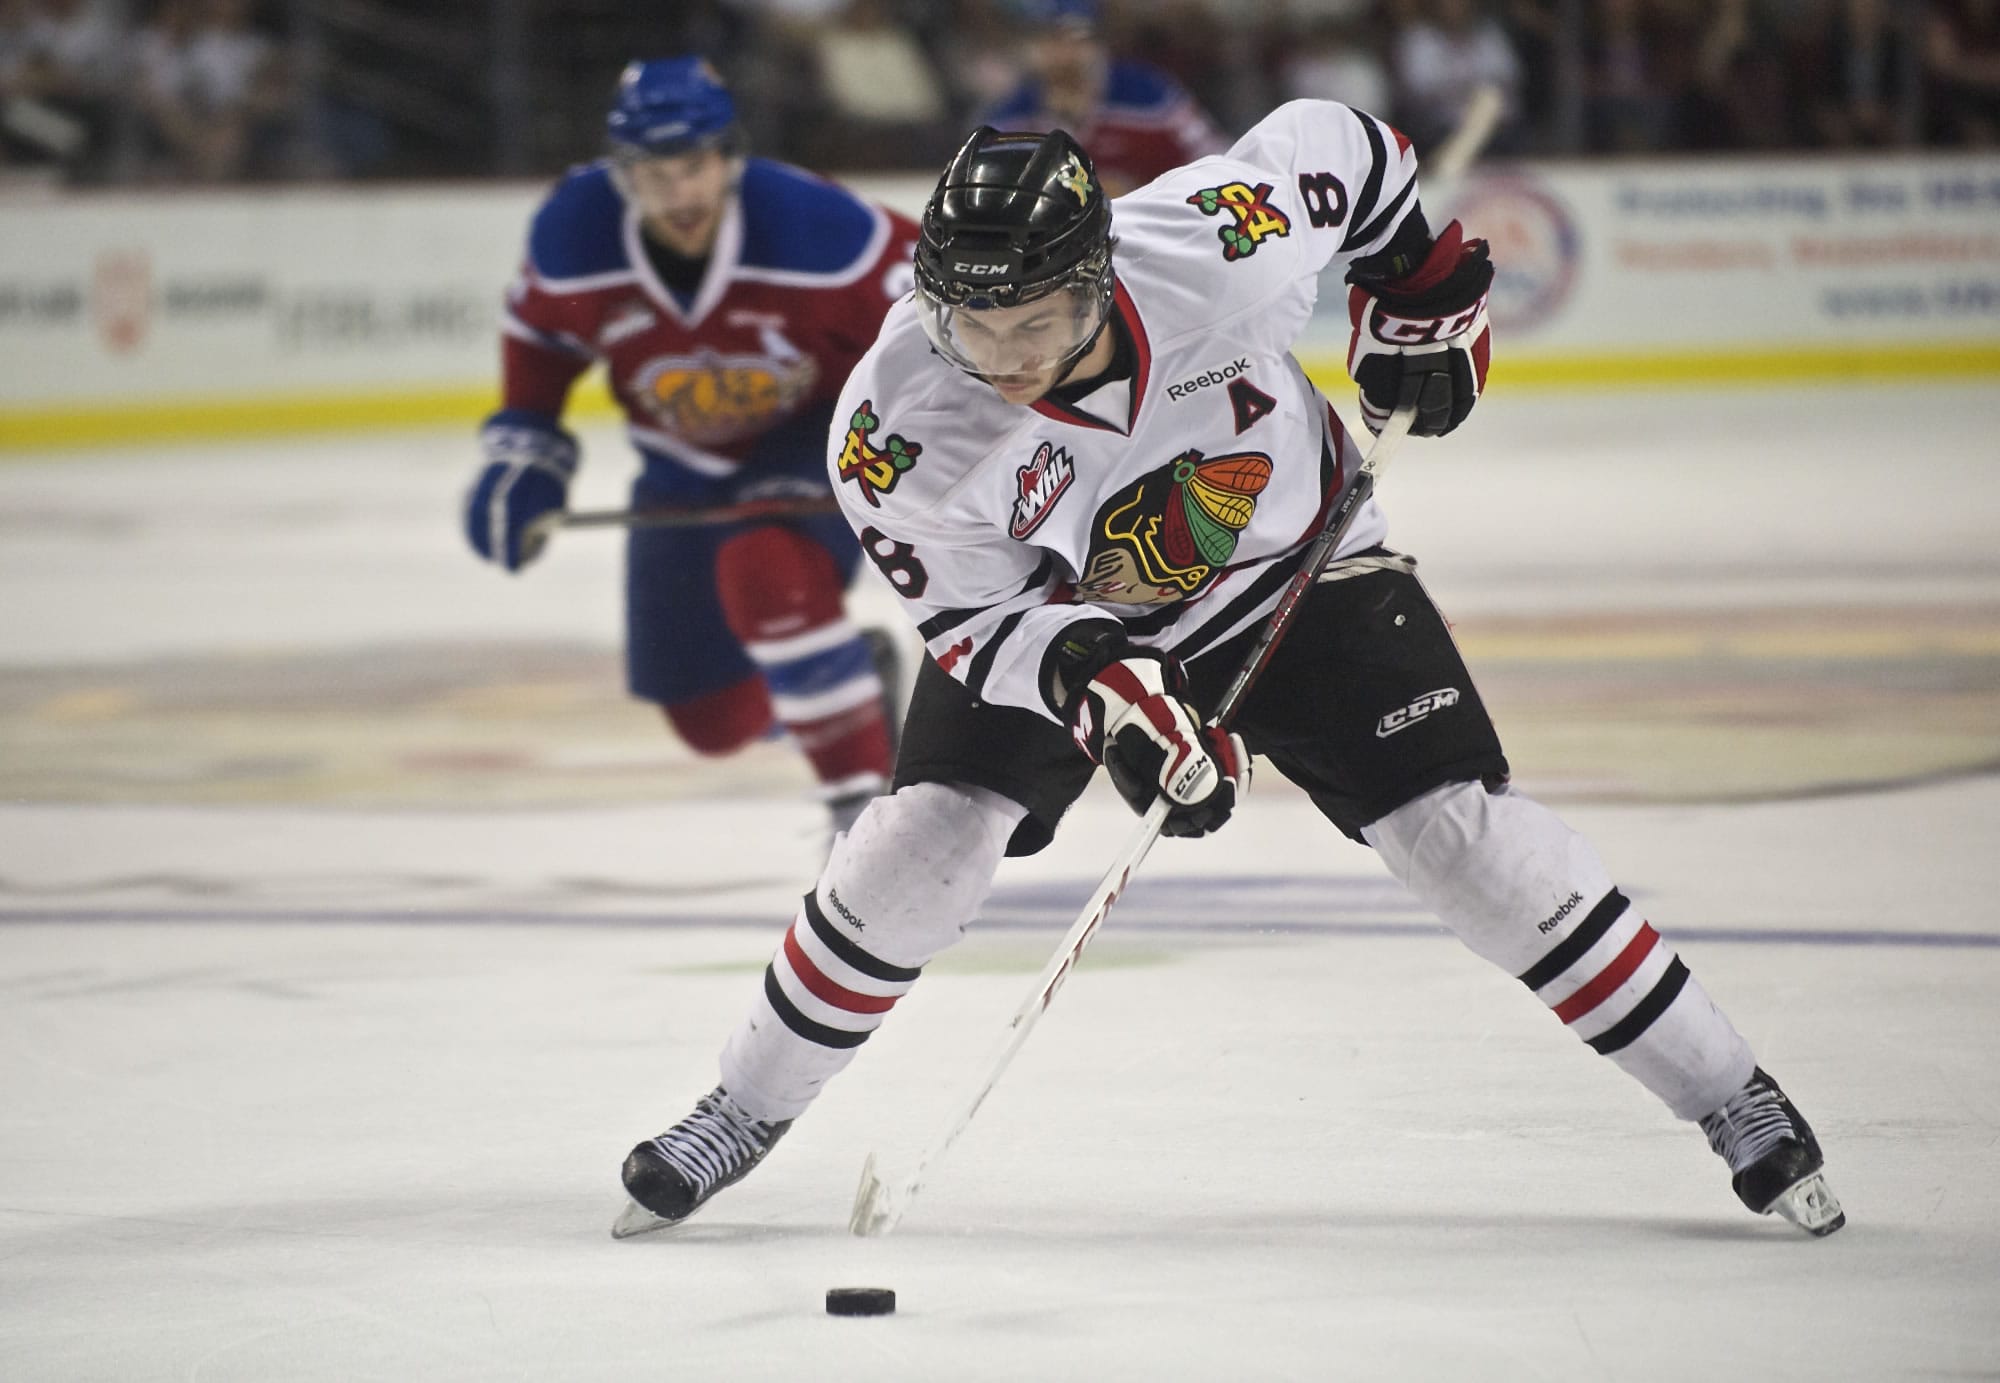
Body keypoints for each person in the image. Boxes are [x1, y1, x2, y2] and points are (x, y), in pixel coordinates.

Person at [612, 102, 1846, 1240]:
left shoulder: (1213, 242)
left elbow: (1351, 150)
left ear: (1096, 277)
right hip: (1062, 610)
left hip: (1292, 568)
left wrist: (1414, 289)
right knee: (922, 842)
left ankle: (1728, 1095)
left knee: (1461, 840)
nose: (1001, 355)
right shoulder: (895, 431)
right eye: (969, 323)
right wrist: (1107, 690)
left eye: (1032, 322)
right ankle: (741, 1108)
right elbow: (975, 626)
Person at [463, 57, 918, 836]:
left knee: (763, 565)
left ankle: (868, 827)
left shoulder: (817, 230)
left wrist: (930, 432)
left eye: (696, 166)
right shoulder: (576, 230)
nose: (680, 193)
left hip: (819, 438)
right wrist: (527, 446)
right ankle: (850, 680)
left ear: (728, 158)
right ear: (620, 173)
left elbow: (935, 312)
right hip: (679, 466)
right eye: (654, 172)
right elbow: (541, 335)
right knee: (708, 720)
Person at [980, 0, 1225, 196]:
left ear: (1097, 42)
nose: (1064, 54)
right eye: (1049, 38)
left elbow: (1217, 162)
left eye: (1074, 38)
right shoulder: (1009, 121)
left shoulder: (1151, 99)